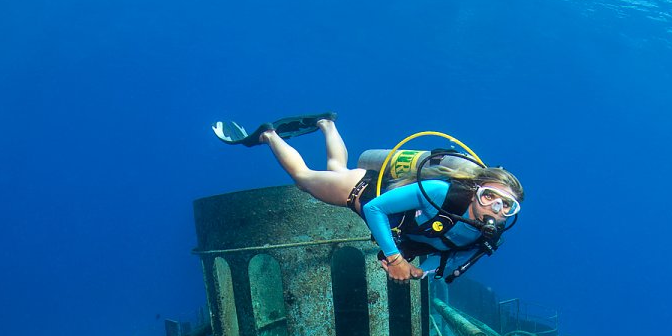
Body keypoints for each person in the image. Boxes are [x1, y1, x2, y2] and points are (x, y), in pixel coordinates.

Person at [212, 114, 523, 284]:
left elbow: (443, 252)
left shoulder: (487, 238)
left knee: (335, 167)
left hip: (379, 209)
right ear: (475, 190)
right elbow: (376, 208)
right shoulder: (444, 194)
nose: (495, 209)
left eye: (506, 205)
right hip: (361, 190)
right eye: (489, 196)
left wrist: (418, 269)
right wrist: (395, 258)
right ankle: (268, 135)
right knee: (304, 180)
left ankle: (326, 124)